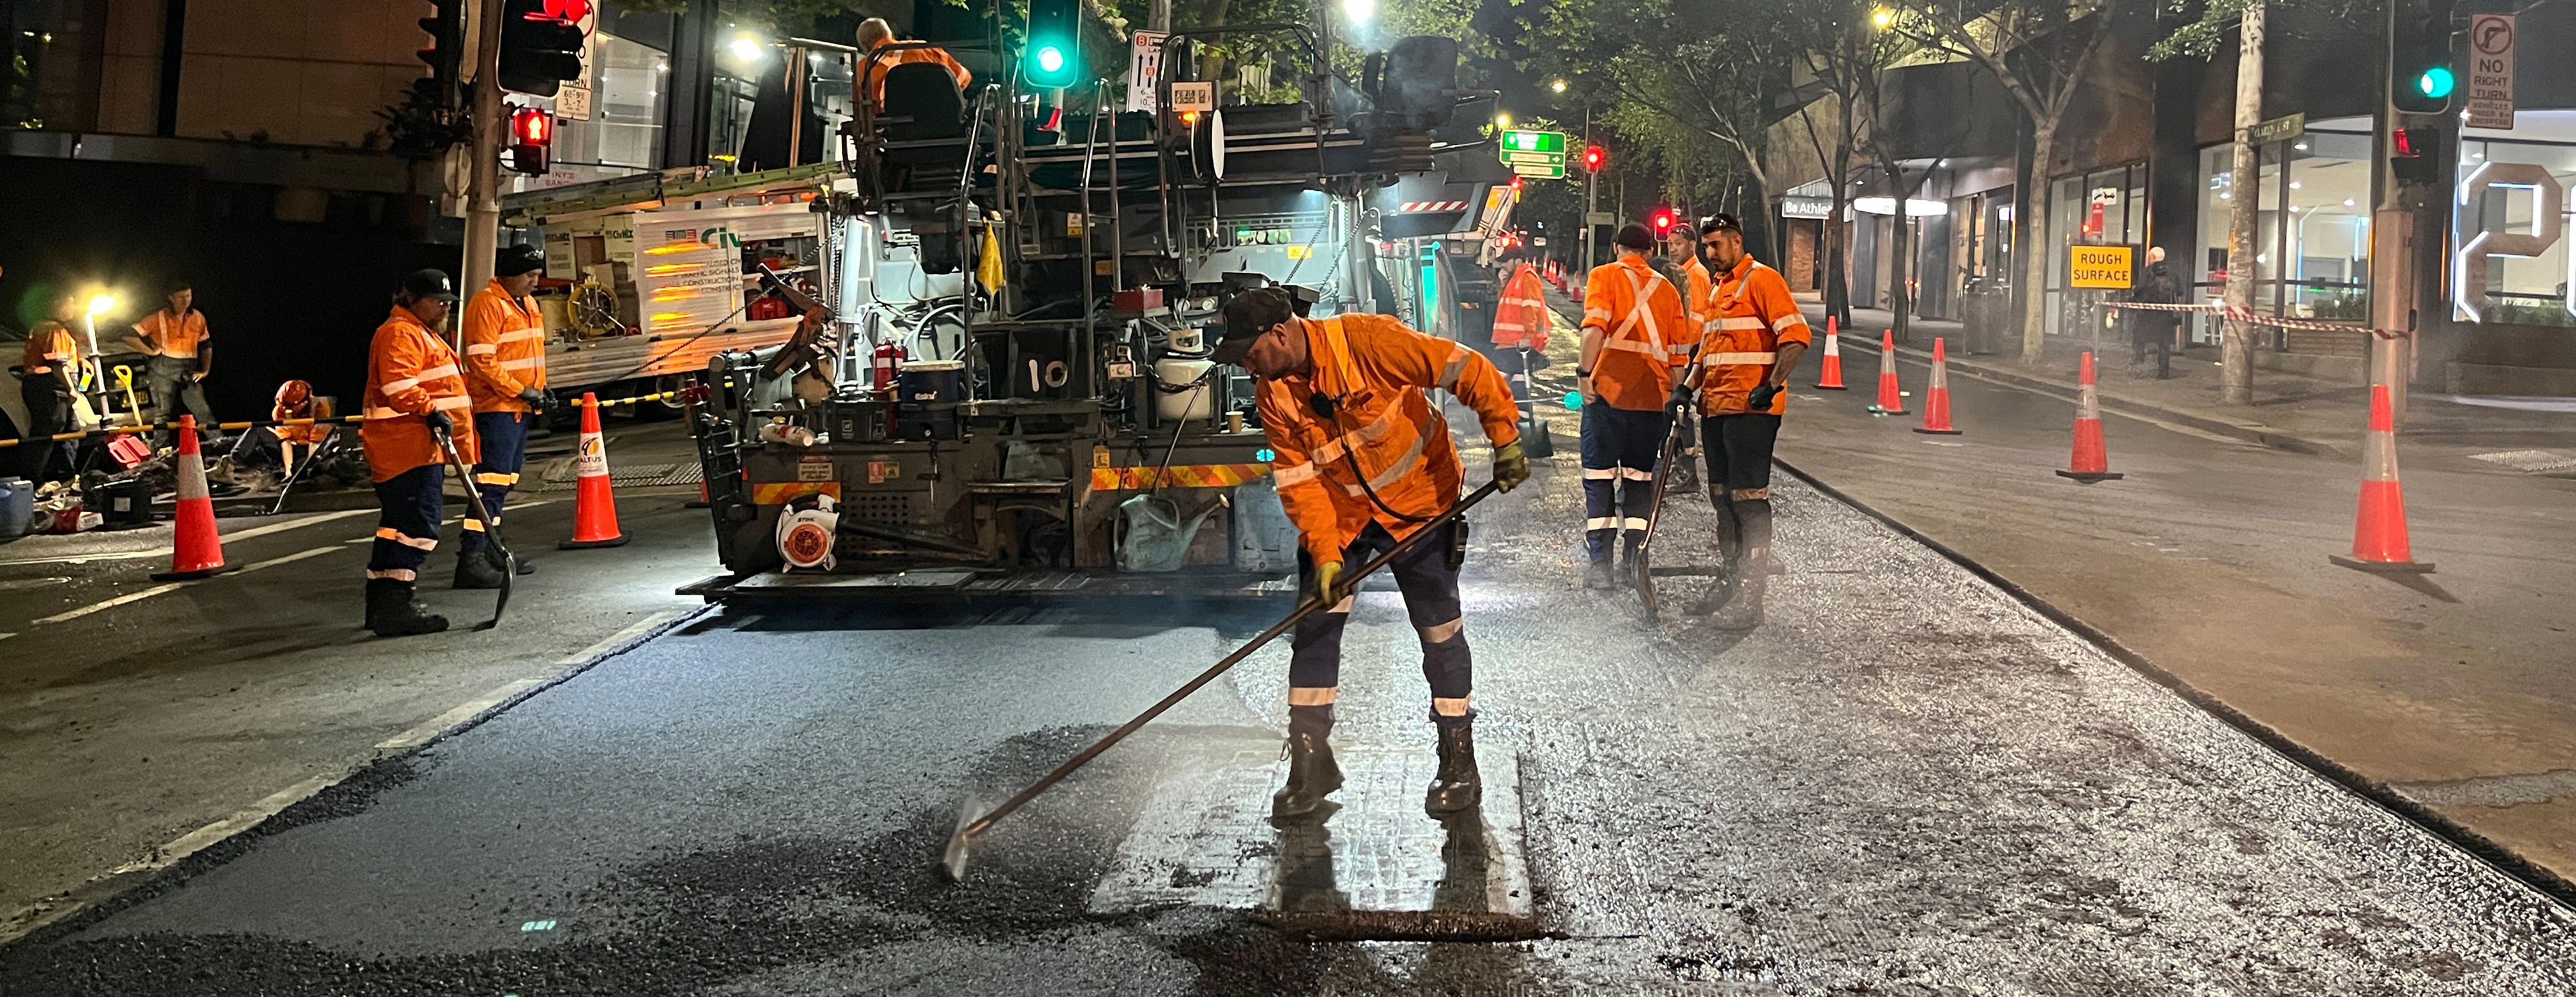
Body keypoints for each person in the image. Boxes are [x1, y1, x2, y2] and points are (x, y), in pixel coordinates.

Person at [1209, 286, 1529, 821]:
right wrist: (1326, 552)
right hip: (1343, 519)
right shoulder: (1272, 392)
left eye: (1250, 350)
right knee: (1314, 626)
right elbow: (1298, 480)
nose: (1246, 363)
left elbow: (1466, 369)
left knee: (1439, 630)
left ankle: (1458, 761)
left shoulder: (1370, 342)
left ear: (1281, 333)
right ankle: (1311, 765)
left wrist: (1505, 439)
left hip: (1421, 504)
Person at [1685, 214, 1809, 628]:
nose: (1710, 253)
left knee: (1749, 502)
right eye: (1707, 246)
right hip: (1717, 409)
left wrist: (1772, 385)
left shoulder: (1762, 280)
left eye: (1717, 245)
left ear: (1737, 241)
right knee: (1722, 498)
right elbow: (1708, 349)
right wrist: (1686, 388)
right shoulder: (1720, 289)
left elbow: (1795, 336)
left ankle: (1751, 599)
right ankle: (1730, 582)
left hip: (1751, 413)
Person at [1576, 223, 1696, 589]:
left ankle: (1601, 567)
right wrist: (1677, 401)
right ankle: (1634, 560)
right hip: (1650, 401)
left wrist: (1584, 375)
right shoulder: (1669, 291)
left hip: (1607, 395)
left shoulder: (1604, 276)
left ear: (1617, 248)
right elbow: (1679, 357)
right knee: (1639, 480)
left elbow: (1594, 329)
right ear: (1648, 253)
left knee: (1599, 478)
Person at [360, 270, 479, 638]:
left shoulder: (421, 332)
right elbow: (399, 385)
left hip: (415, 447)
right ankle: (394, 605)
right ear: (413, 299)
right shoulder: (401, 333)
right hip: (405, 446)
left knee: (399, 527)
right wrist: (430, 410)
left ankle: (386, 604)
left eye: (448, 302)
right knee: (416, 526)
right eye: (438, 301)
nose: (445, 308)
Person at [456, 244, 555, 589]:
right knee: (492, 484)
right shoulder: (487, 303)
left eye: (537, 275)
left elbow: (528, 355)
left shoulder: (527, 304)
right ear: (510, 274)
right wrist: (520, 390)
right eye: (529, 275)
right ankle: (473, 558)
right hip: (496, 408)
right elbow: (481, 360)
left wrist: (540, 388)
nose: (535, 282)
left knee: (504, 483)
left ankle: (490, 551)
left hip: (516, 408)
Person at [124, 283, 217, 448]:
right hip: (163, 368)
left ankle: (219, 445)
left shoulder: (198, 317)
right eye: (181, 297)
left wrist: (205, 370)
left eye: (188, 296)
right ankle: (161, 451)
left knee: (203, 411)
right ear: (171, 298)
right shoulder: (158, 318)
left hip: (188, 369)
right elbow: (129, 335)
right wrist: (149, 351)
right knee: (162, 413)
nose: (185, 301)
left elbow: (206, 344)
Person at [15, 295, 86, 482]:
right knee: (46, 434)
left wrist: (79, 361)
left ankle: (66, 476)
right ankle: (34, 482)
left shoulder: (48, 327)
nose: (74, 307)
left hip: (49, 385)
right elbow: (57, 364)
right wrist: (71, 388)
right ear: (57, 304)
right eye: (70, 303)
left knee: (70, 431)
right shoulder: (53, 329)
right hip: (49, 386)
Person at [854, 17, 973, 110]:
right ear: (890, 33)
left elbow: (863, 108)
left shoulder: (864, 67)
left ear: (864, 45)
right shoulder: (923, 48)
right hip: (944, 126)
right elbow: (963, 75)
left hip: (893, 132)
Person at [224, 379, 333, 475]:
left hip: (310, 449)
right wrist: (288, 471)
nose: (286, 410)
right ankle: (230, 465)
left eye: (290, 407)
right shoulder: (279, 411)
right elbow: (285, 442)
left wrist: (309, 467)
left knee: (306, 467)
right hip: (289, 448)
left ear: (304, 402)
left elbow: (315, 442)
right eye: (283, 405)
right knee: (258, 429)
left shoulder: (320, 407)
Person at [2130, 246, 2182, 380]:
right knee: (2164, 344)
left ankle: (2138, 366)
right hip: (2165, 315)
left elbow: (2140, 289)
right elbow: (2180, 291)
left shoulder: (2147, 272)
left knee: (2139, 338)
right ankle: (2163, 373)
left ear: (2152, 258)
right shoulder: (2173, 272)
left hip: (2147, 314)